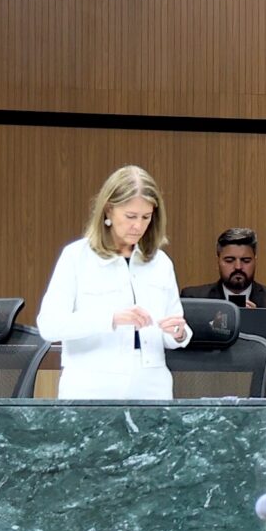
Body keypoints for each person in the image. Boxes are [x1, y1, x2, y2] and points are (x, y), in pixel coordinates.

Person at [36, 164, 192, 401]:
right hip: (91, 384)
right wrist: (110, 318)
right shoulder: (76, 256)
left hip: (152, 385)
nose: (138, 226)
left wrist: (178, 333)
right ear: (108, 210)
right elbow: (49, 326)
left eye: (146, 217)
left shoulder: (160, 262)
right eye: (130, 216)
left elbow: (172, 328)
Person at [179, 227, 266, 310]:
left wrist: (259, 320)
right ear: (218, 261)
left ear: (255, 261)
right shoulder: (194, 300)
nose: (238, 267)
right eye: (229, 260)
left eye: (246, 260)